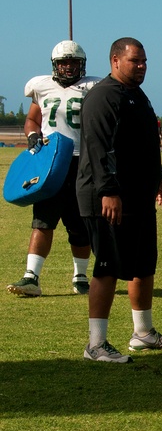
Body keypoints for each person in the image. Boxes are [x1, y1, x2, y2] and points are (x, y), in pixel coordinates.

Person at [76, 37, 162, 363]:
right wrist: (109, 191)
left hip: (137, 196)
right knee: (108, 266)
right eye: (135, 61)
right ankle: (95, 345)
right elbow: (99, 149)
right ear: (114, 61)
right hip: (106, 197)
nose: (141, 67)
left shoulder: (136, 95)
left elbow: (146, 144)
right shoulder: (103, 97)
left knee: (143, 264)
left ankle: (143, 333)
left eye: (144, 62)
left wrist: (159, 179)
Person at [7, 41, 99, 298]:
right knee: (43, 220)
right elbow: (32, 119)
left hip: (82, 162)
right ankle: (31, 277)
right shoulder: (41, 86)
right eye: (63, 63)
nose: (68, 67)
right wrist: (33, 135)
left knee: (80, 224)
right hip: (50, 162)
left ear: (82, 64)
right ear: (55, 65)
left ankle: (80, 276)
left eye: (73, 62)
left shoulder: (94, 86)